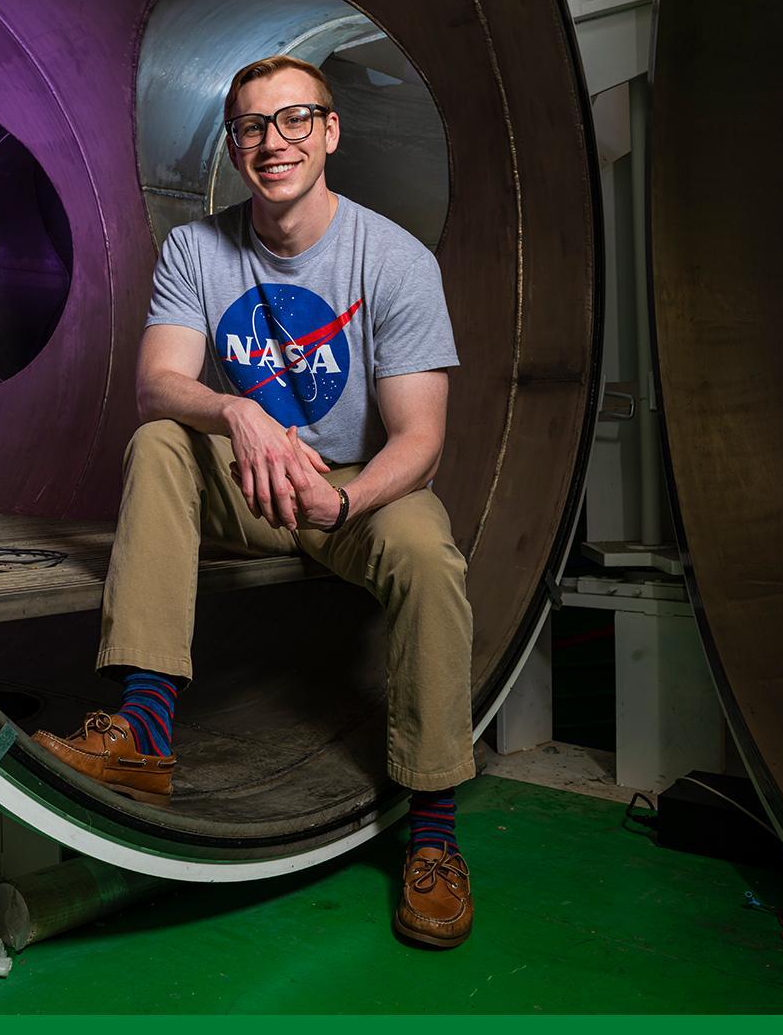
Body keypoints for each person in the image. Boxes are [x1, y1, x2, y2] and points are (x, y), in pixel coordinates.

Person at [32, 54, 476, 948]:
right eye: (252, 128)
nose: (273, 143)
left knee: (430, 555)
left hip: (358, 492)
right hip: (249, 478)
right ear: (235, 148)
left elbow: (420, 442)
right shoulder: (199, 248)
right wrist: (237, 409)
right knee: (160, 441)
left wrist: (343, 511)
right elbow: (160, 386)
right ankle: (145, 728)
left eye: (294, 121)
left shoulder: (394, 260)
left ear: (330, 133)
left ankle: (434, 834)